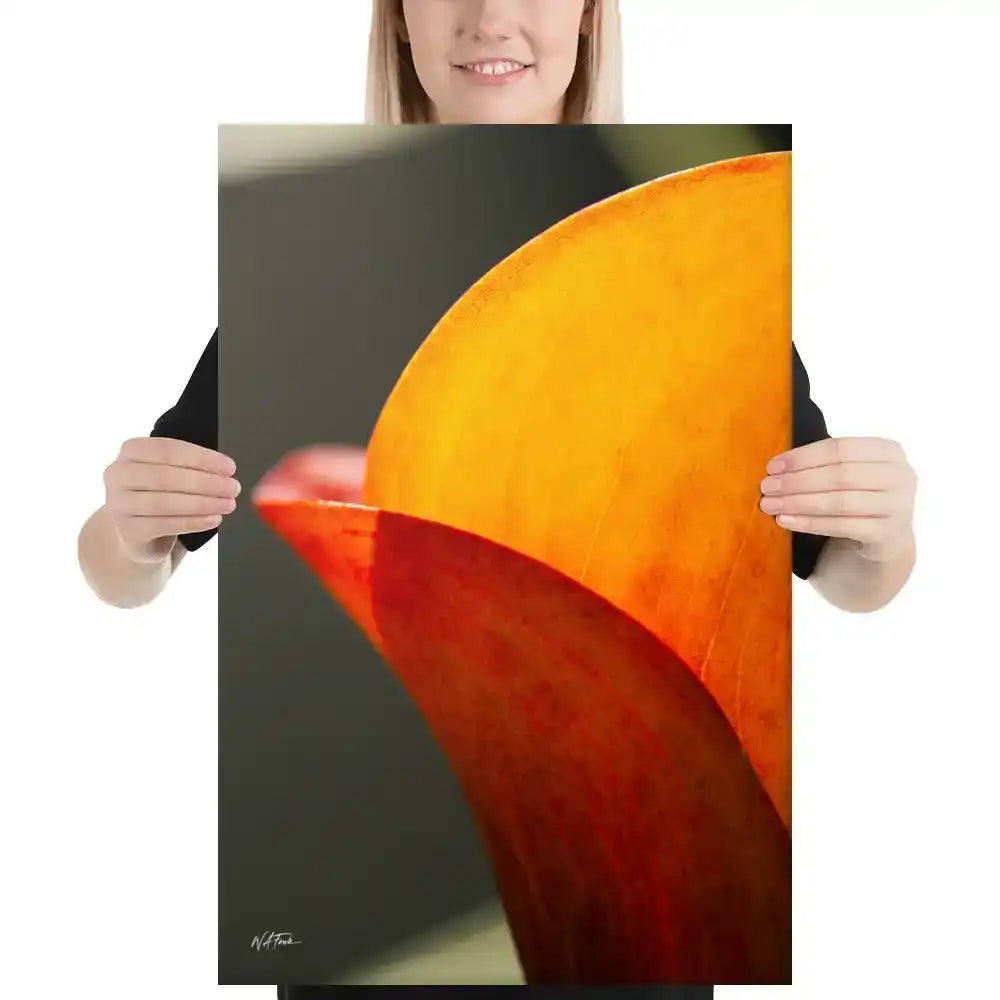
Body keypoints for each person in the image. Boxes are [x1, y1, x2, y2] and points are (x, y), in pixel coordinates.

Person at [76, 1, 917, 996]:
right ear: (396, 25)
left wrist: (881, 526)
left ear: (589, 23)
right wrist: (130, 529)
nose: (491, 19)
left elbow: (849, 578)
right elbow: (119, 570)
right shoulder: (288, 289)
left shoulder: (712, 289)